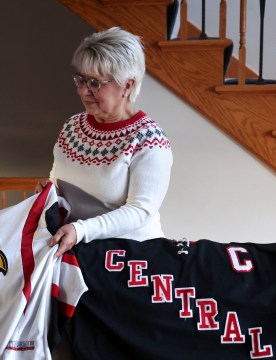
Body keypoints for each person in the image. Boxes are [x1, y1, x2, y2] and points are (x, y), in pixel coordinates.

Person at [35, 26, 173, 258]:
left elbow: (140, 210)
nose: (83, 91)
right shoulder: (72, 127)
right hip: (82, 252)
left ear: (127, 86)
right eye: (81, 80)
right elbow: (58, 179)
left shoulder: (149, 140)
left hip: (132, 256)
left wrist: (81, 230)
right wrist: (50, 191)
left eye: (95, 83)